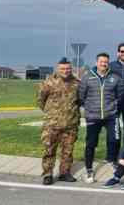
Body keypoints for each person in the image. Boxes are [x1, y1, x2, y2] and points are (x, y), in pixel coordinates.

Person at [78, 52, 122, 183]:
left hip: (110, 115)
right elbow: (81, 96)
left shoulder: (115, 77)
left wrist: (114, 106)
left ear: (108, 63)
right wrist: (89, 108)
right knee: (91, 143)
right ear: (97, 62)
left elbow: (120, 95)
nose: (104, 64)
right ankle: (89, 169)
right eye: (101, 61)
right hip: (93, 116)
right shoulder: (87, 77)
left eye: (106, 62)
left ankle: (113, 161)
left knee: (114, 139)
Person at [38, 57, 81, 185]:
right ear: (58, 68)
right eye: (63, 68)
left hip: (70, 124)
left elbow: (79, 101)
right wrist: (52, 114)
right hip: (52, 124)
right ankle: (48, 174)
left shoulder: (76, 83)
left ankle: (64, 173)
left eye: (68, 68)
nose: (66, 71)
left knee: (68, 151)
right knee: (49, 150)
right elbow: (40, 100)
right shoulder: (48, 82)